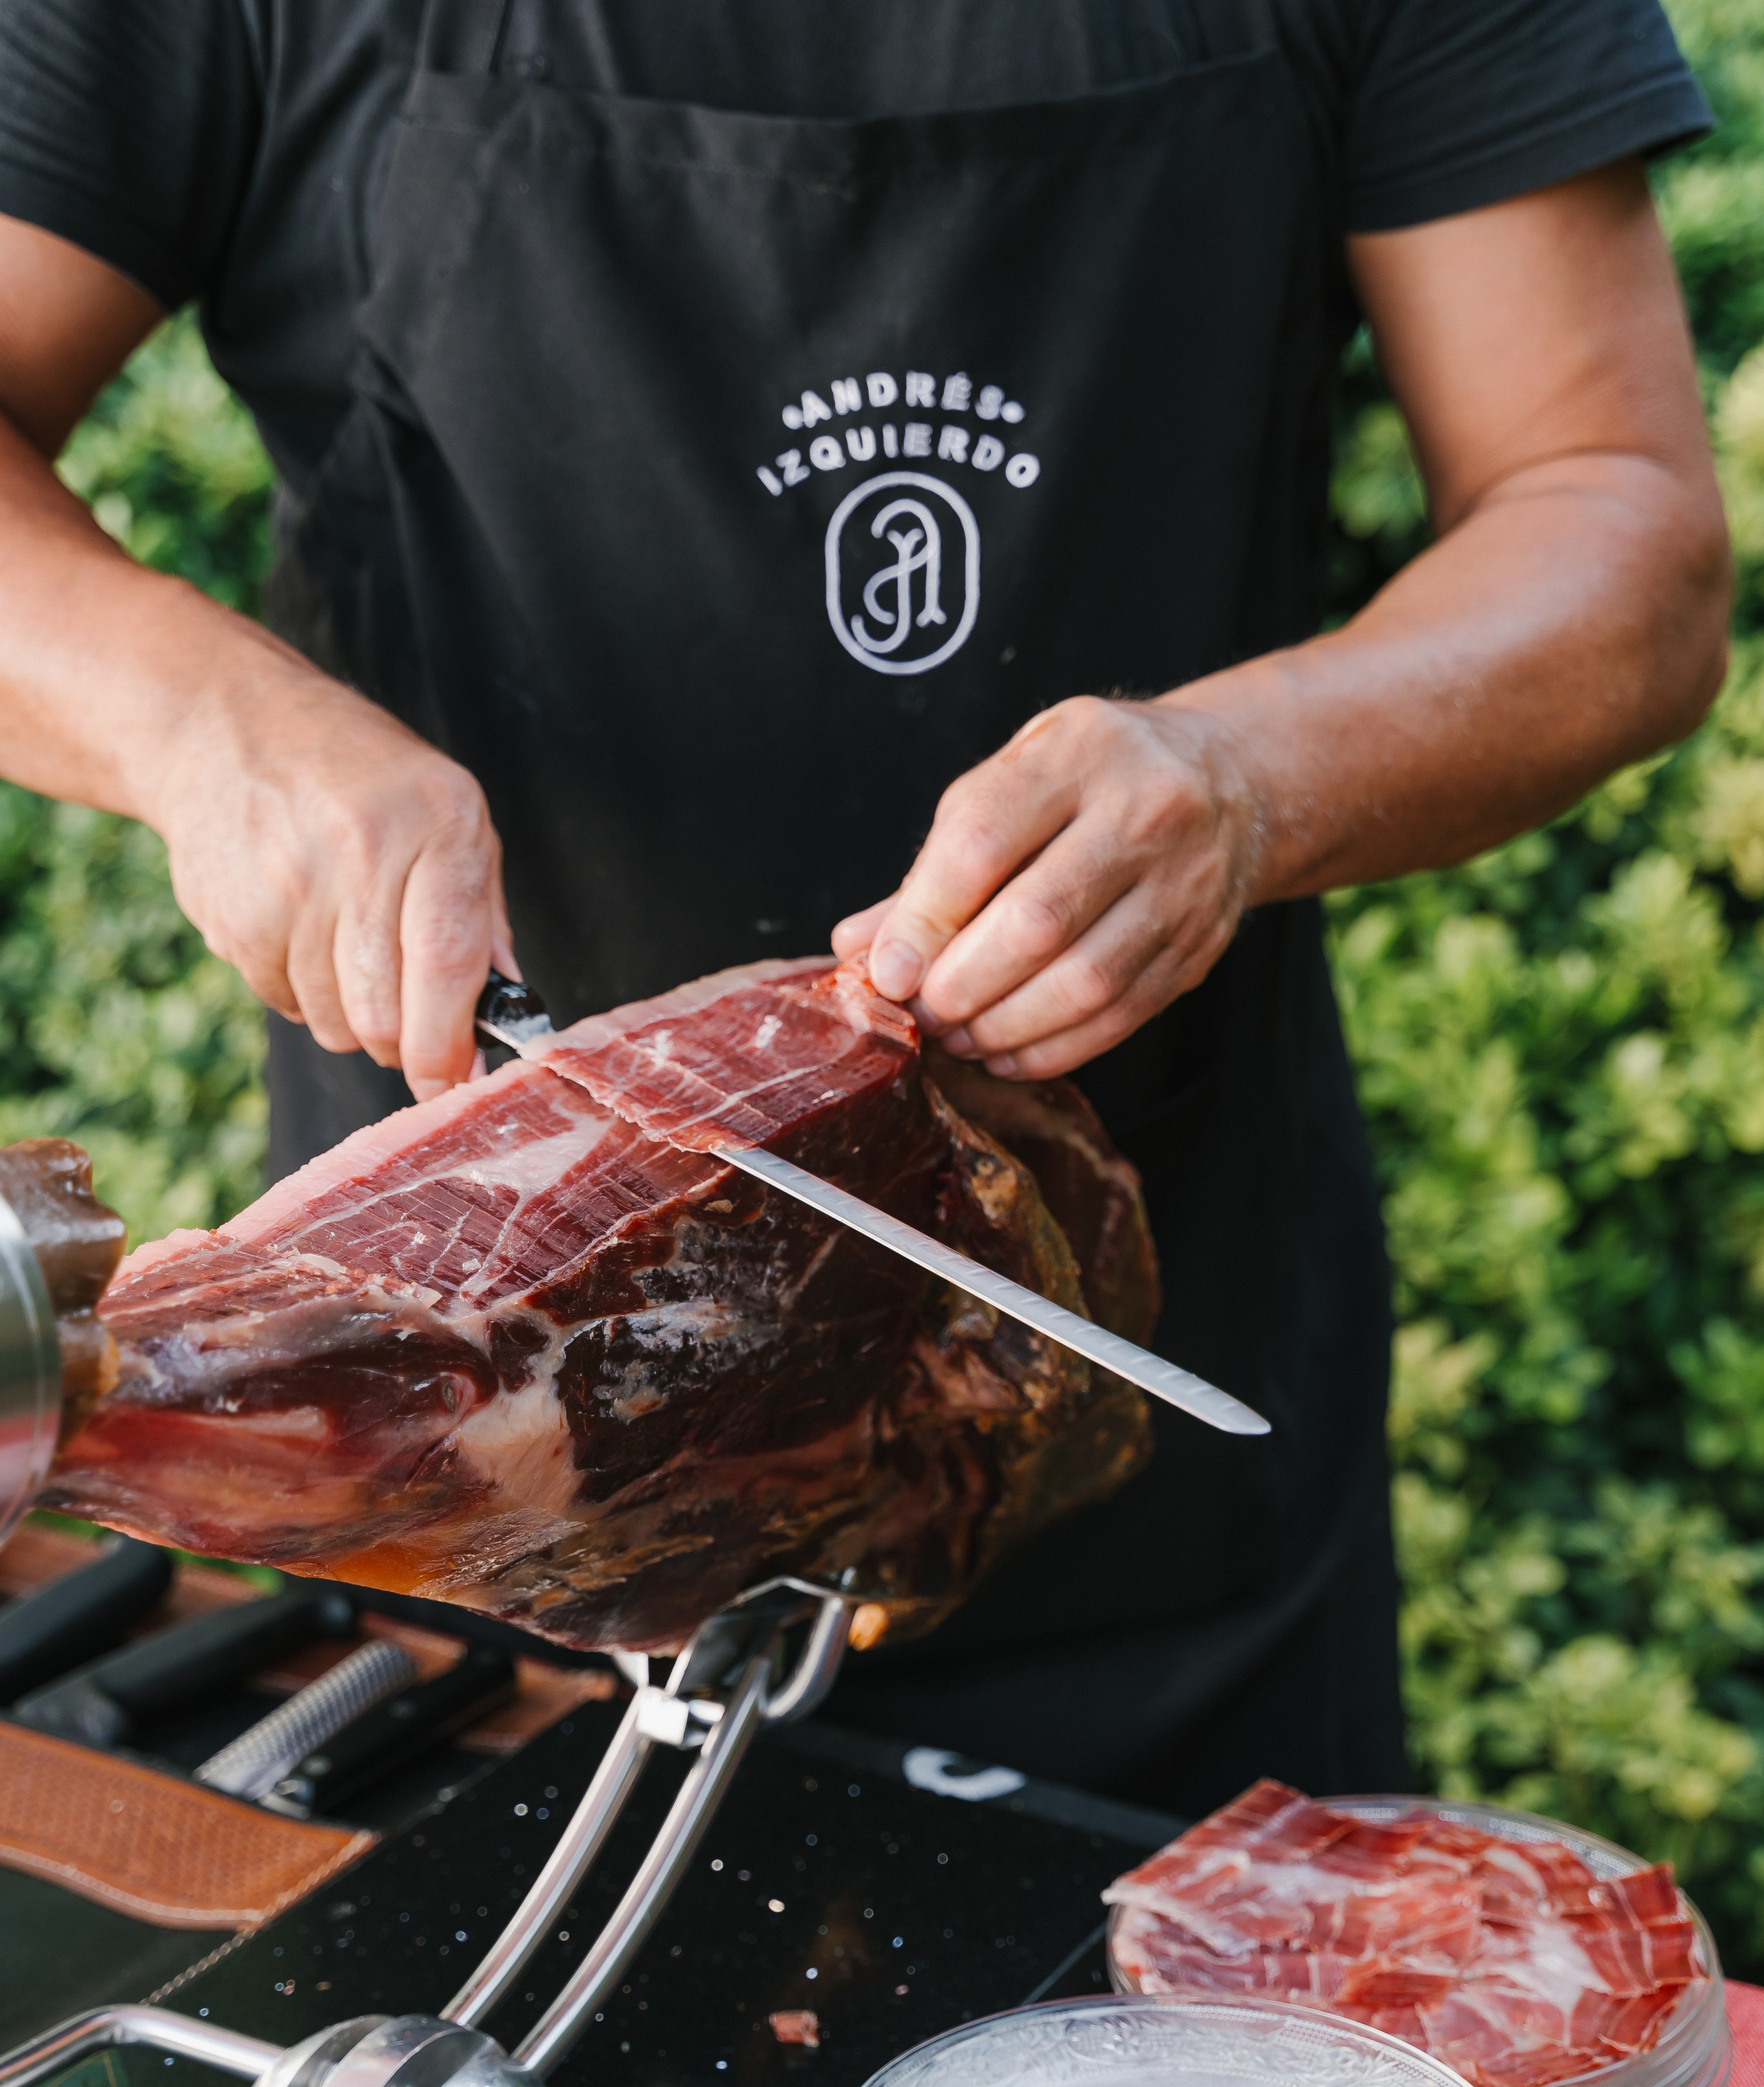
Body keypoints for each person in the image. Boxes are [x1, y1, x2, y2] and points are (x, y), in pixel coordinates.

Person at [0, 3, 1730, 1810]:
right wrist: (201, 721)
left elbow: (1618, 520)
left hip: (1144, 1477)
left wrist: (1248, 774)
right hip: (467, 1466)